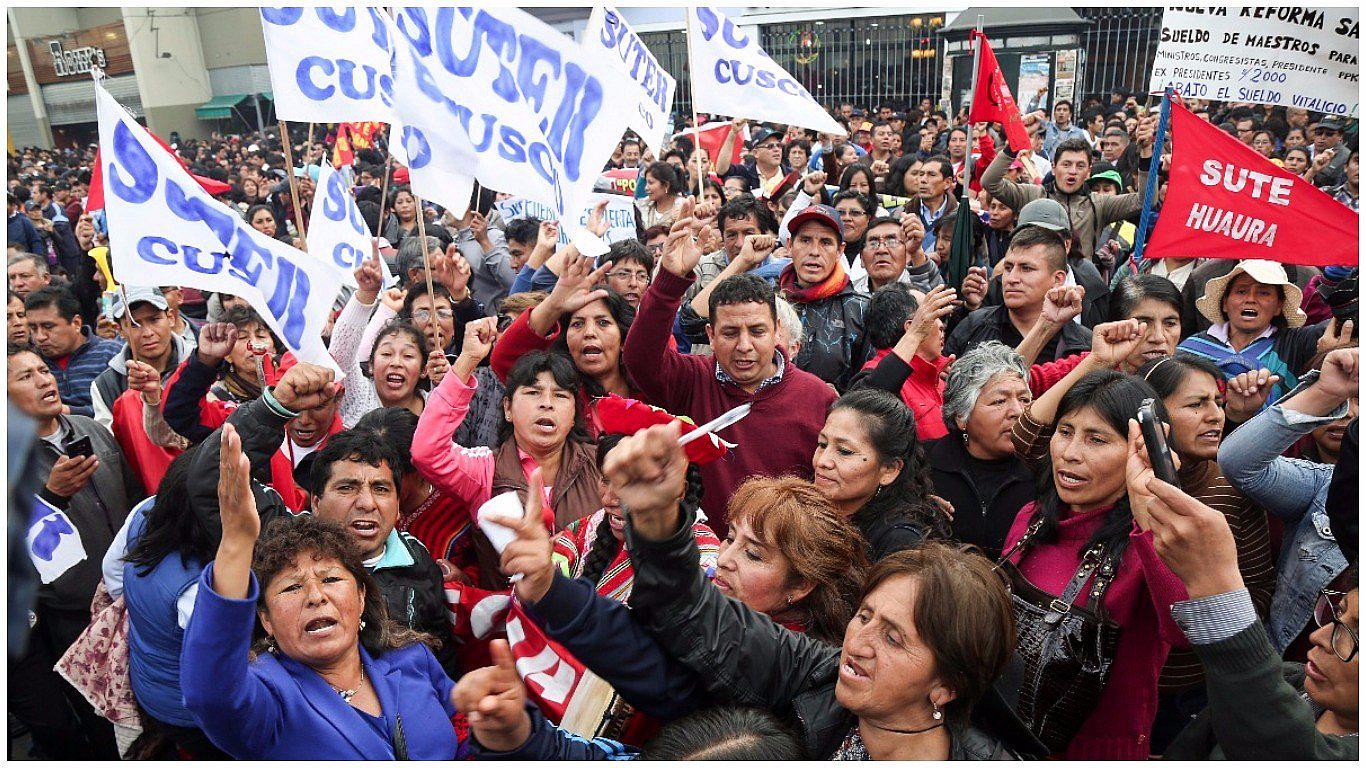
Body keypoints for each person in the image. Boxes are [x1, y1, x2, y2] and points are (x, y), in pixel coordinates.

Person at [598, 423, 1032, 759]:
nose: (859, 643)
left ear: (947, 686)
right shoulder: (821, 675)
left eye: (893, 637)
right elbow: (692, 611)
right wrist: (655, 519)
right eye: (865, 617)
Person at [179, 427, 465, 759]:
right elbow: (210, 695)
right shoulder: (270, 699)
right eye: (292, 587)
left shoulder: (415, 659)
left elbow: (466, 735)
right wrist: (236, 543)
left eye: (330, 580)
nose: (315, 596)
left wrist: (506, 730)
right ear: (266, 620)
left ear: (361, 598)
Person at [999, 364, 1189, 759]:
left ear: (1140, 452)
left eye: (1097, 439)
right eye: (1065, 432)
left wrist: (1151, 516)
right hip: (1002, 738)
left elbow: (1185, 629)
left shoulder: (1151, 545)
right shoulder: (1031, 519)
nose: (1070, 454)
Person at [622, 205, 837, 533]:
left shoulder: (818, 397)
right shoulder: (693, 380)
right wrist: (668, 282)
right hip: (706, 561)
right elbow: (640, 359)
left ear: (777, 329)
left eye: (757, 331)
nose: (744, 345)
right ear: (710, 335)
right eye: (730, 333)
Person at [1133, 457, 1359, 759]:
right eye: (1337, 613)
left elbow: (1277, 746)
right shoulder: (1289, 680)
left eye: (1353, 633)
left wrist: (1215, 580)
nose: (1319, 638)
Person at [8, 344, 139, 759]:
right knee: (99, 726)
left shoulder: (90, 428)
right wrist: (52, 497)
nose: (44, 380)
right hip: (70, 616)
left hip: (128, 600)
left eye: (43, 370)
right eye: (24, 377)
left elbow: (134, 499)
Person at [413, 321, 603, 586]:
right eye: (533, 392)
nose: (546, 403)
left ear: (574, 415)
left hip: (591, 617)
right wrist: (467, 359)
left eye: (560, 395)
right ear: (507, 409)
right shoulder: (486, 469)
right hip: (509, 623)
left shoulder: (602, 464)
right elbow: (427, 452)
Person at [1218, 348, 1356, 659]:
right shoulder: (1323, 486)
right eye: (1341, 404)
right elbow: (1238, 463)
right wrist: (1324, 393)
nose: (1348, 413)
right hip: (1287, 671)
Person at [101, 454, 228, 758]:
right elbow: (221, 670)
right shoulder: (196, 591)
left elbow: (112, 575)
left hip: (149, 683)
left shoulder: (144, 512)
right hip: (187, 711)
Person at [307, 427, 460, 677]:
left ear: (398, 506)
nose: (367, 503)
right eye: (347, 488)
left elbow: (440, 662)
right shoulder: (288, 562)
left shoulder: (419, 563)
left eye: (380, 489)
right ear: (316, 502)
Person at [813, 388, 950, 562]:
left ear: (889, 469)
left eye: (845, 451)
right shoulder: (808, 511)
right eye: (822, 444)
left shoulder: (900, 543)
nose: (822, 461)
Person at [928, 342, 1036, 559]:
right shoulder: (923, 466)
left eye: (1024, 400)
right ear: (961, 416)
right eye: (999, 401)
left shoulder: (1045, 471)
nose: (1017, 411)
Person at [982, 132, 1153, 262]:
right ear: (1054, 168)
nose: (1072, 171)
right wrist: (1012, 147)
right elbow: (990, 182)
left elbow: (1145, 201)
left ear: (1088, 172)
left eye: (1080, 166)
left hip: (1079, 285)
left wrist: (1146, 154)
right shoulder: (1032, 194)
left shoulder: (1099, 204)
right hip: (1034, 281)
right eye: (1066, 164)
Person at [1178, 259, 1328, 406]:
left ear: (1278, 306)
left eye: (1263, 293)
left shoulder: (1295, 343)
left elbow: (1338, 325)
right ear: (1224, 303)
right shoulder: (1189, 351)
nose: (1250, 299)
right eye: (1241, 291)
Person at [946, 227, 1092, 365]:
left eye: (1026, 268)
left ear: (1058, 280)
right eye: (1008, 268)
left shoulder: (1083, 346)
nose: (1011, 278)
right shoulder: (973, 327)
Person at [776, 204, 870, 389]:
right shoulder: (767, 303)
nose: (814, 251)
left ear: (840, 250)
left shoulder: (861, 310)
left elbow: (871, 385)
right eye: (805, 240)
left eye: (826, 242)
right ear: (789, 245)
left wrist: (840, 401)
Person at [852, 284, 956, 440]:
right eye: (933, 315)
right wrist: (915, 335)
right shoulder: (878, 377)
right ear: (911, 326)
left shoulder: (940, 378)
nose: (942, 324)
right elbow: (863, 412)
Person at [91, 287, 193, 428]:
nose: (147, 332)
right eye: (134, 324)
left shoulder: (200, 365)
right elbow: (109, 443)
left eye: (154, 320)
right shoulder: (107, 385)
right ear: (119, 330)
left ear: (170, 318)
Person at [23, 284, 121, 418]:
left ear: (76, 323)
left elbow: (124, 409)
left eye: (48, 327)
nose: (40, 336)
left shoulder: (112, 354)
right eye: (33, 328)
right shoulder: (30, 363)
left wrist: (68, 412)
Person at [635, 161, 687, 229]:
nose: (646, 188)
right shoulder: (641, 206)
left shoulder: (684, 208)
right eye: (646, 183)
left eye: (650, 183)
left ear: (666, 185)